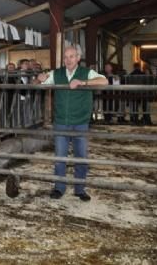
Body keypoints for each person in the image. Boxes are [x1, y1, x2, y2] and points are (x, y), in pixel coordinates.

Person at [36, 46, 107, 201]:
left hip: (80, 121)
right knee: (60, 156)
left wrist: (82, 82)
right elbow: (41, 83)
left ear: (78, 58)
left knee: (81, 156)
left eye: (72, 56)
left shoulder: (86, 72)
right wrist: (39, 78)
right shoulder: (57, 73)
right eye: (66, 57)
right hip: (61, 121)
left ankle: (79, 189)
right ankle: (59, 188)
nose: (68, 60)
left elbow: (104, 80)